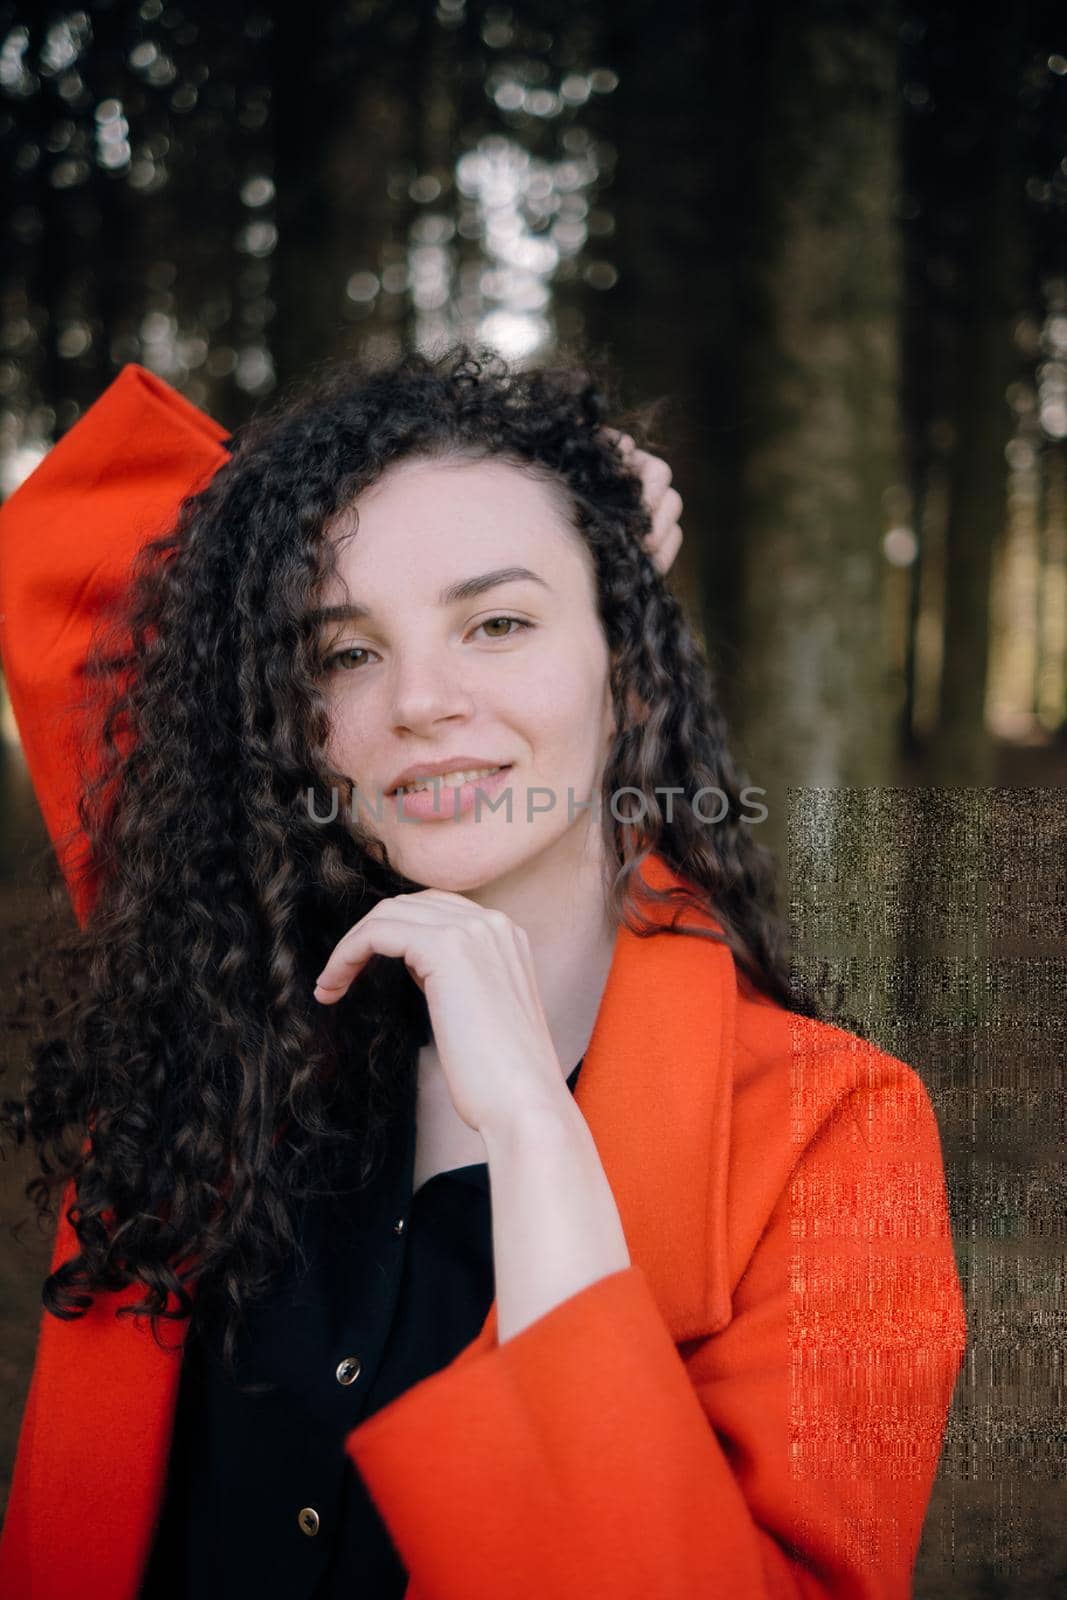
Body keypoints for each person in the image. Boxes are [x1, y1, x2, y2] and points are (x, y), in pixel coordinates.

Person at [0, 345, 967, 1600]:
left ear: (624, 669)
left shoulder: (837, 1133)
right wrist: (517, 514)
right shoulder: (231, 1015)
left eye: (498, 623)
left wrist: (531, 1127)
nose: (419, 701)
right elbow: (74, 576)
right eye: (345, 652)